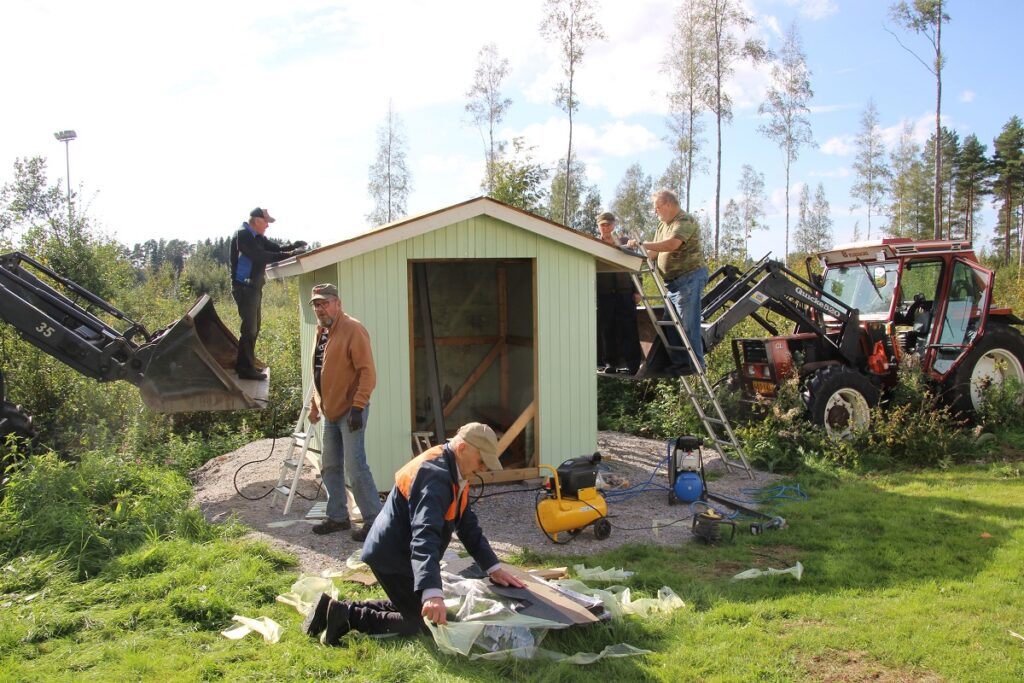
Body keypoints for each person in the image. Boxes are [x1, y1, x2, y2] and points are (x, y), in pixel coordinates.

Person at [302, 422, 526, 644]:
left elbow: (467, 525)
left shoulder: (455, 470)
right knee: (423, 624)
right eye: (481, 461)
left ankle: (331, 609)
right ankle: (348, 617)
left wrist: (493, 568)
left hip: (400, 554)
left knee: (415, 609)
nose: (483, 469)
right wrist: (431, 591)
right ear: (462, 449)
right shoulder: (435, 476)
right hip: (392, 557)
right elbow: (424, 535)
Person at [307, 284, 383, 541]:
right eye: (316, 304)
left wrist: (358, 406)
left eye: (325, 303)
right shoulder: (321, 331)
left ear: (338, 303)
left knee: (355, 466)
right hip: (330, 412)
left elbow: (367, 372)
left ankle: (375, 521)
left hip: (351, 411)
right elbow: (320, 373)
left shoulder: (353, 329)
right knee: (329, 465)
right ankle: (338, 517)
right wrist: (316, 406)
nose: (320, 308)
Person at [230, 207, 306, 380]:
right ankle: (244, 368)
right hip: (244, 287)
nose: (267, 226)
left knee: (254, 327)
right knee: (249, 329)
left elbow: (275, 248)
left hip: (254, 288)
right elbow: (260, 255)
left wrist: (293, 246)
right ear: (257, 221)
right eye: (266, 222)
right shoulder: (243, 235)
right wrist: (290, 254)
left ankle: (245, 365)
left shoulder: (257, 237)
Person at [640, 189, 708, 374]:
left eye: (657, 208)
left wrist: (642, 244)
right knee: (670, 324)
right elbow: (653, 254)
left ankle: (695, 364)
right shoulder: (662, 226)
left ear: (668, 204)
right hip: (673, 284)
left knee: (688, 324)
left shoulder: (685, 220)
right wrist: (632, 256)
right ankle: (680, 363)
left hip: (689, 278)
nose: (655, 212)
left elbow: (672, 244)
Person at [595, 211, 643, 375]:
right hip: (604, 294)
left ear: (614, 225)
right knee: (607, 329)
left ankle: (633, 365)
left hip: (625, 293)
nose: (606, 227)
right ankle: (610, 363)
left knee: (629, 328)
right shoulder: (593, 243)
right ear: (599, 227)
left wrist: (638, 291)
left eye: (608, 224)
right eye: (603, 225)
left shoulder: (624, 242)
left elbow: (636, 266)